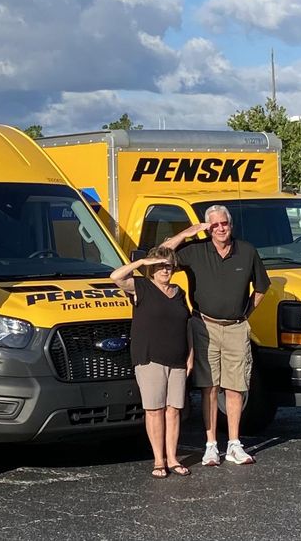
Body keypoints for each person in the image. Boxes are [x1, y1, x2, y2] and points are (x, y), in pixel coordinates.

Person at [161, 205, 270, 466]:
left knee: (235, 388)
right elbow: (162, 256)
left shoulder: (247, 251)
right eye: (215, 225)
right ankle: (211, 445)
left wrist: (245, 314)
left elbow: (262, 287)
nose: (221, 228)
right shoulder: (195, 251)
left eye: (225, 224)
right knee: (209, 387)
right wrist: (188, 232)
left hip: (236, 327)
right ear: (208, 228)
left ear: (231, 225)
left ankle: (234, 444)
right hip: (204, 326)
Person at [111, 246, 193, 478]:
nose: (164, 270)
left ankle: (173, 458)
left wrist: (191, 355)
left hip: (177, 358)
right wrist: (142, 263)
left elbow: (186, 325)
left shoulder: (179, 292)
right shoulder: (142, 287)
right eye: (159, 266)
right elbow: (115, 277)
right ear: (151, 269)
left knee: (174, 410)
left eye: (168, 265)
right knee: (155, 410)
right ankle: (159, 460)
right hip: (150, 358)